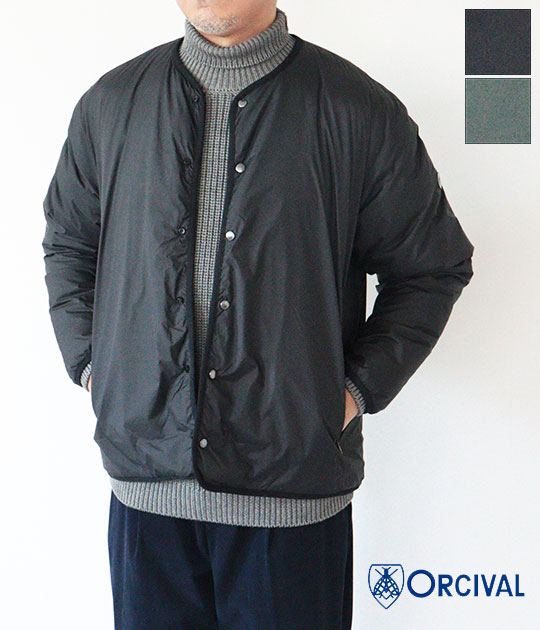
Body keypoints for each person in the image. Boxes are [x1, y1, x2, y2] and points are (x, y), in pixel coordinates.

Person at [41, 1, 475, 628]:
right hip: (146, 494)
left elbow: (431, 267)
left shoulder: (357, 108)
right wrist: (94, 369)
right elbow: (69, 245)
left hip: (291, 497)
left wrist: (350, 393)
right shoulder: (111, 105)